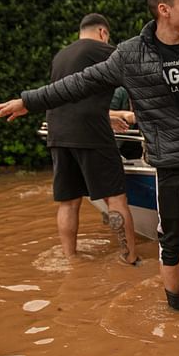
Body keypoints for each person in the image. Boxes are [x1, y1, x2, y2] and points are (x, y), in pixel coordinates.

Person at [0, 0, 179, 309]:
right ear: (164, 9)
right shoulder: (130, 55)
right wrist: (29, 101)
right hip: (170, 166)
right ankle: (177, 312)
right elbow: (78, 84)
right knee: (171, 242)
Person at [43, 13, 139, 266]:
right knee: (116, 198)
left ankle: (71, 259)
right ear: (102, 32)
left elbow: (70, 98)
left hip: (58, 133)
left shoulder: (61, 56)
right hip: (91, 134)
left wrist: (107, 116)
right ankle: (130, 258)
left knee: (68, 201)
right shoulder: (103, 50)